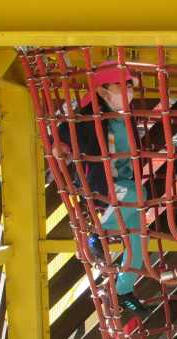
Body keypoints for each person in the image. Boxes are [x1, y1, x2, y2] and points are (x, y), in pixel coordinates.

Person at [54, 61, 148, 316]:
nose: (127, 91)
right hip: (103, 186)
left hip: (124, 187)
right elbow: (67, 131)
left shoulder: (125, 117)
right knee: (140, 194)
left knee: (140, 239)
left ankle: (123, 289)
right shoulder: (91, 117)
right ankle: (97, 233)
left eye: (129, 86)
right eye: (120, 86)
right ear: (103, 91)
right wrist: (61, 146)